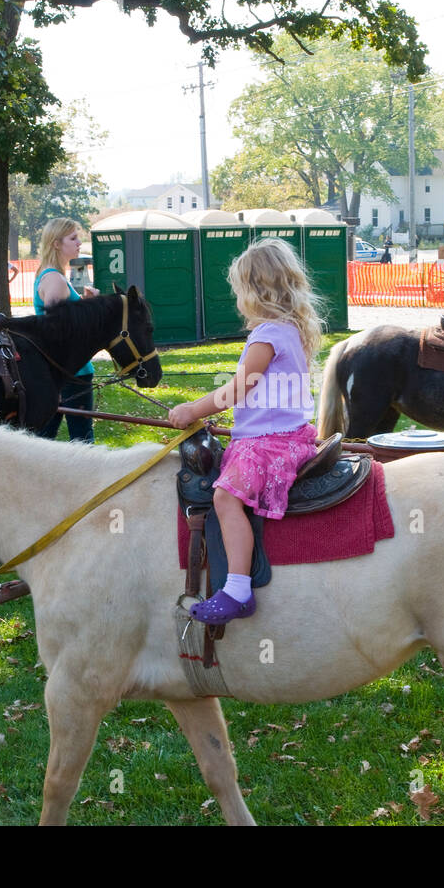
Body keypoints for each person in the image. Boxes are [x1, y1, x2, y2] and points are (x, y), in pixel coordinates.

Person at [168, 238, 323, 625]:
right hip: (280, 432)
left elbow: (238, 388)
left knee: (225, 498)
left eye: (240, 289)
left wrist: (192, 410)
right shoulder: (289, 330)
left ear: (254, 290)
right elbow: (263, 395)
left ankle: (237, 589)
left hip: (270, 443)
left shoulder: (268, 334)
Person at [34, 218, 99, 443]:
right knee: (82, 440)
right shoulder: (55, 279)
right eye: (73, 238)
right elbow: (54, 332)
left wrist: (84, 304)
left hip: (67, 373)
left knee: (43, 438)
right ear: (56, 244)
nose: (79, 242)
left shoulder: (51, 275)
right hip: (71, 373)